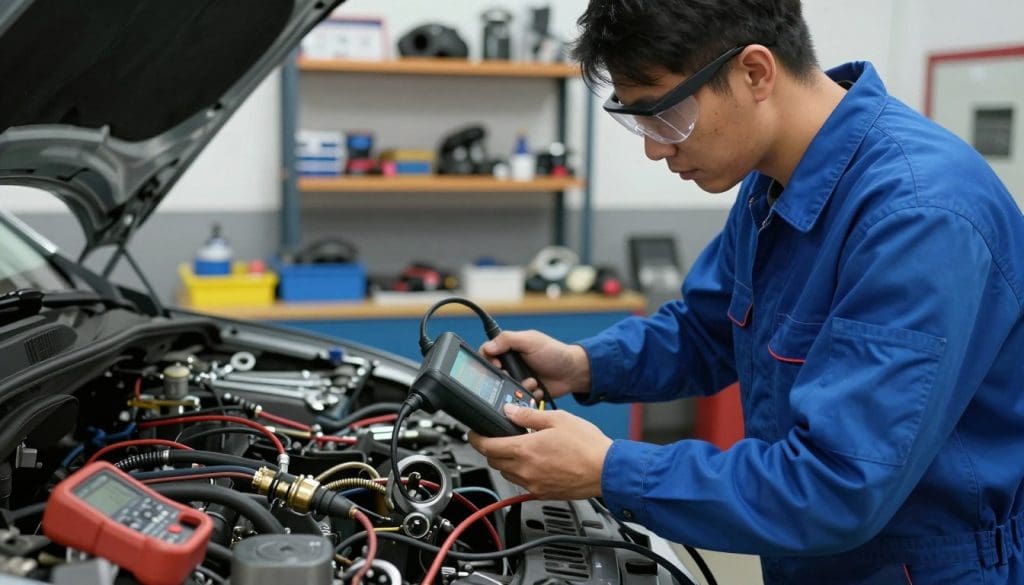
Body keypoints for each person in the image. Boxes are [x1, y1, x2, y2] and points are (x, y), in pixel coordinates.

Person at [467, 1, 1024, 583]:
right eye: (637, 120)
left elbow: (838, 486)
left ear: (755, 72)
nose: (655, 148)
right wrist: (583, 364)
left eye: (663, 113)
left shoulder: (918, 217)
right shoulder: (772, 182)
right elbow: (708, 330)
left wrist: (610, 469)